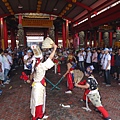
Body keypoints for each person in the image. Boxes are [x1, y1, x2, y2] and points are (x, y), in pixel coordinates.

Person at [30, 43, 57, 120]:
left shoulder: (34, 65)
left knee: (37, 100)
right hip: (38, 86)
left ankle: (40, 115)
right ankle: (37, 116)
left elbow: (31, 75)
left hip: (36, 85)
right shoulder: (40, 66)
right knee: (38, 101)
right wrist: (54, 49)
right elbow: (50, 58)